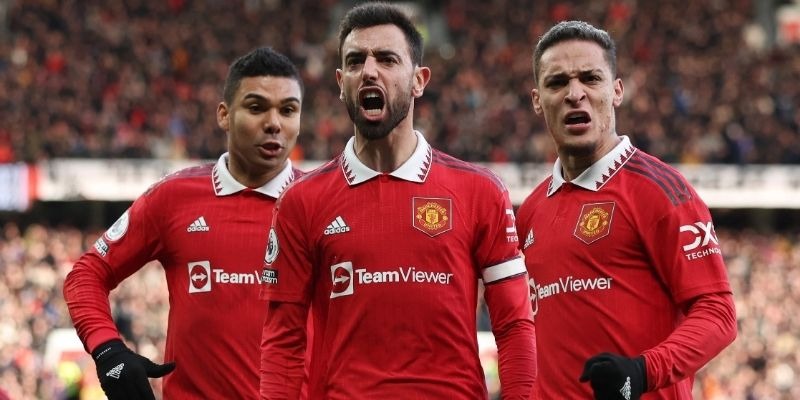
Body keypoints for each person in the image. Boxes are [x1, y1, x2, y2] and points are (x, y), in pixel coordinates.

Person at [258, 3, 536, 399]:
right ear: (340, 83)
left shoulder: (481, 191)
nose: (369, 71)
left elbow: (514, 325)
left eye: (387, 59)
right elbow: (283, 344)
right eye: (355, 61)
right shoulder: (301, 202)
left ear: (419, 80)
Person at [63, 46, 305, 399]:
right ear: (224, 115)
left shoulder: (320, 205)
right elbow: (86, 274)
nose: (274, 123)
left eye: (288, 110)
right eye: (256, 107)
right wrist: (108, 351)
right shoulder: (173, 198)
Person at [516, 20, 737, 399]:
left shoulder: (662, 191)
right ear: (537, 100)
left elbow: (718, 313)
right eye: (557, 83)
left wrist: (643, 371)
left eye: (590, 78)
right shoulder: (531, 210)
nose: (575, 94)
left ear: (617, 90)